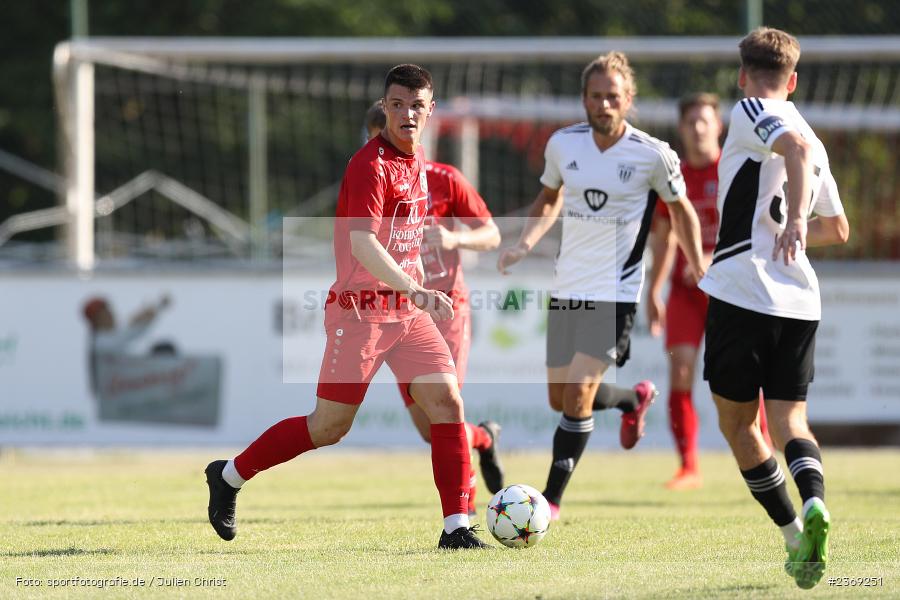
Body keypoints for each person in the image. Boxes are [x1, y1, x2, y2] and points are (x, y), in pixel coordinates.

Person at [206, 64, 491, 549]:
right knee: (328, 426)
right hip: (361, 314)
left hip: (408, 316)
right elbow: (362, 244)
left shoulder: (419, 162)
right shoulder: (369, 165)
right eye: (397, 105)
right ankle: (229, 476)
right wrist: (416, 288)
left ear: (430, 111)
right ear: (385, 108)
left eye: (416, 106)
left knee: (447, 404)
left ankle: (457, 527)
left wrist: (415, 295)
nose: (406, 114)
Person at [497, 52, 705, 521]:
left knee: (576, 394)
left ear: (628, 99)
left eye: (613, 96)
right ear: (584, 99)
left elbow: (681, 212)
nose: (604, 104)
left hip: (616, 293)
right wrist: (525, 243)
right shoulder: (562, 145)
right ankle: (634, 399)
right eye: (596, 96)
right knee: (561, 398)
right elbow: (549, 198)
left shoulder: (653, 154)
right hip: (568, 287)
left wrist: (698, 265)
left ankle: (549, 502)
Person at [698, 28, 849, 589]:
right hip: (799, 298)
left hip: (744, 289)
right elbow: (841, 228)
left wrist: (788, 224)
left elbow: (795, 151)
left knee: (738, 424)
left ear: (744, 76)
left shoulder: (749, 109)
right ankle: (814, 503)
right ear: (794, 79)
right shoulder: (813, 131)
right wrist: (796, 229)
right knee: (790, 420)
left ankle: (792, 537)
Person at [364, 101, 505, 516]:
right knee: (429, 429)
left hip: (447, 311)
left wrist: (454, 240)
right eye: (375, 143)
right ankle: (484, 438)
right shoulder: (370, 182)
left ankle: (466, 512)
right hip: (399, 315)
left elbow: (492, 234)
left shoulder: (444, 179)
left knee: (445, 406)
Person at [646, 93, 771, 491]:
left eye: (705, 121)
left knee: (748, 377)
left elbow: (758, 230)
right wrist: (654, 289)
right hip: (686, 292)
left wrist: (708, 254)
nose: (698, 128)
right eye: (690, 122)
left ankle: (764, 454)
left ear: (718, 126)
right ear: (681, 129)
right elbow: (664, 237)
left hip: (732, 291)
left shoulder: (735, 168)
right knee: (680, 372)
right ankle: (688, 468)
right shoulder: (673, 176)